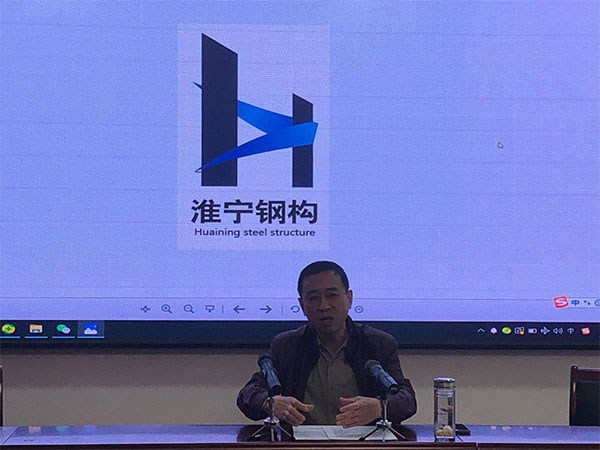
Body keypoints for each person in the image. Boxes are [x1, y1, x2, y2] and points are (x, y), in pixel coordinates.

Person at [237, 261, 417, 427]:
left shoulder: (378, 343)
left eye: (332, 295)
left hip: (362, 443)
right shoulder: (287, 346)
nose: (324, 306)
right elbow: (248, 394)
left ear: (349, 298)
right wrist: (270, 403)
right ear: (302, 305)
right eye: (313, 298)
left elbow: (407, 399)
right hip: (303, 444)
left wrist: (379, 407)